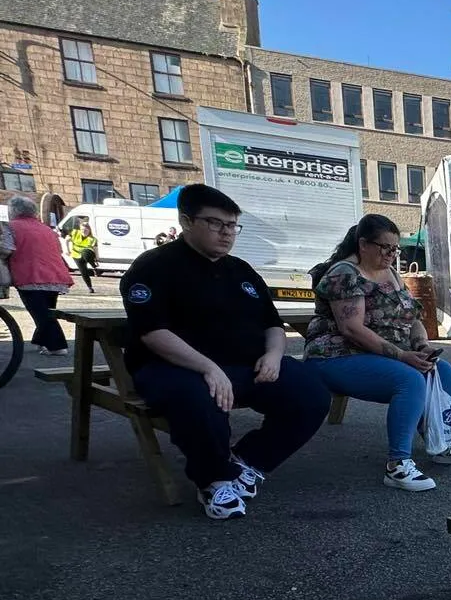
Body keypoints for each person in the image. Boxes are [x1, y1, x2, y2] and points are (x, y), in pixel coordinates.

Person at [121, 184, 333, 519]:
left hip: (245, 365)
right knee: (198, 400)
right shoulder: (155, 266)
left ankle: (248, 460)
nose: (227, 233)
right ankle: (213, 480)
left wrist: (275, 354)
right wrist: (207, 367)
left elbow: (272, 324)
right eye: (216, 224)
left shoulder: (241, 270)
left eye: (232, 225)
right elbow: (152, 333)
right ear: (187, 221)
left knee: (311, 393)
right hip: (175, 367)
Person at [305, 213, 451, 491]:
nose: (391, 254)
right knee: (409, 379)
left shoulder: (391, 273)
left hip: (380, 353)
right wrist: (402, 356)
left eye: (395, 248)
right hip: (337, 355)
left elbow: (412, 317)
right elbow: (352, 329)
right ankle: (397, 465)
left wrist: (421, 345)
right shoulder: (345, 274)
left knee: (443, 371)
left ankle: (443, 443)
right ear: (363, 245)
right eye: (385, 247)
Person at [5, 195, 74, 356]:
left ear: (13, 211)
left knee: (41, 313)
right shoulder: (47, 229)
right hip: (55, 275)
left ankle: (58, 346)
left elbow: (6, 250)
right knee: (47, 310)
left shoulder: (11, 227)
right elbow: (58, 250)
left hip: (29, 275)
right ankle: (40, 341)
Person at [68, 216, 98, 293]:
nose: (84, 232)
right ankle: (90, 287)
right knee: (83, 271)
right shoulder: (74, 232)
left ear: (89, 230)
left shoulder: (92, 239)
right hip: (76, 255)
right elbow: (66, 240)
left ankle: (94, 267)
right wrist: (68, 250)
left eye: (86, 230)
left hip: (88, 254)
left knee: (86, 252)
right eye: (82, 230)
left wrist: (96, 259)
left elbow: (95, 250)